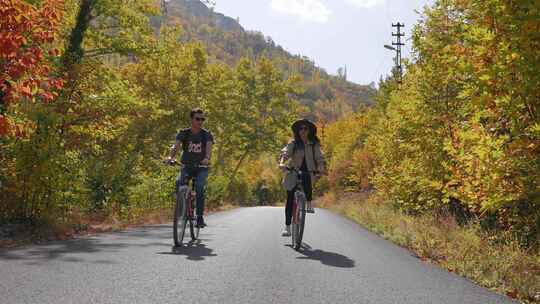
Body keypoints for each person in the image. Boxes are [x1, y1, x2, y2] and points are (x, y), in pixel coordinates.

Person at [165, 108, 214, 228]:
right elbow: (175, 146)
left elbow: (208, 149)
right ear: (191, 119)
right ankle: (183, 211)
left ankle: (200, 217)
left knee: (199, 186)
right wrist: (170, 157)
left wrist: (207, 158)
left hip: (201, 167)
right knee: (179, 183)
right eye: (198, 119)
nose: (200, 121)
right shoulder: (184, 133)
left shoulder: (206, 134)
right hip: (186, 166)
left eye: (202, 119)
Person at [279, 119, 326, 237]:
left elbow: (320, 157)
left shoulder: (313, 144)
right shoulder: (294, 143)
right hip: (293, 171)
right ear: (297, 131)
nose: (303, 131)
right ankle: (287, 226)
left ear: (309, 131)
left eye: (305, 128)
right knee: (290, 198)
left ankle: (309, 202)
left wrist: (320, 167)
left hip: (308, 172)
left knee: (307, 180)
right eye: (301, 128)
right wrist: (282, 163)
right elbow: (285, 153)